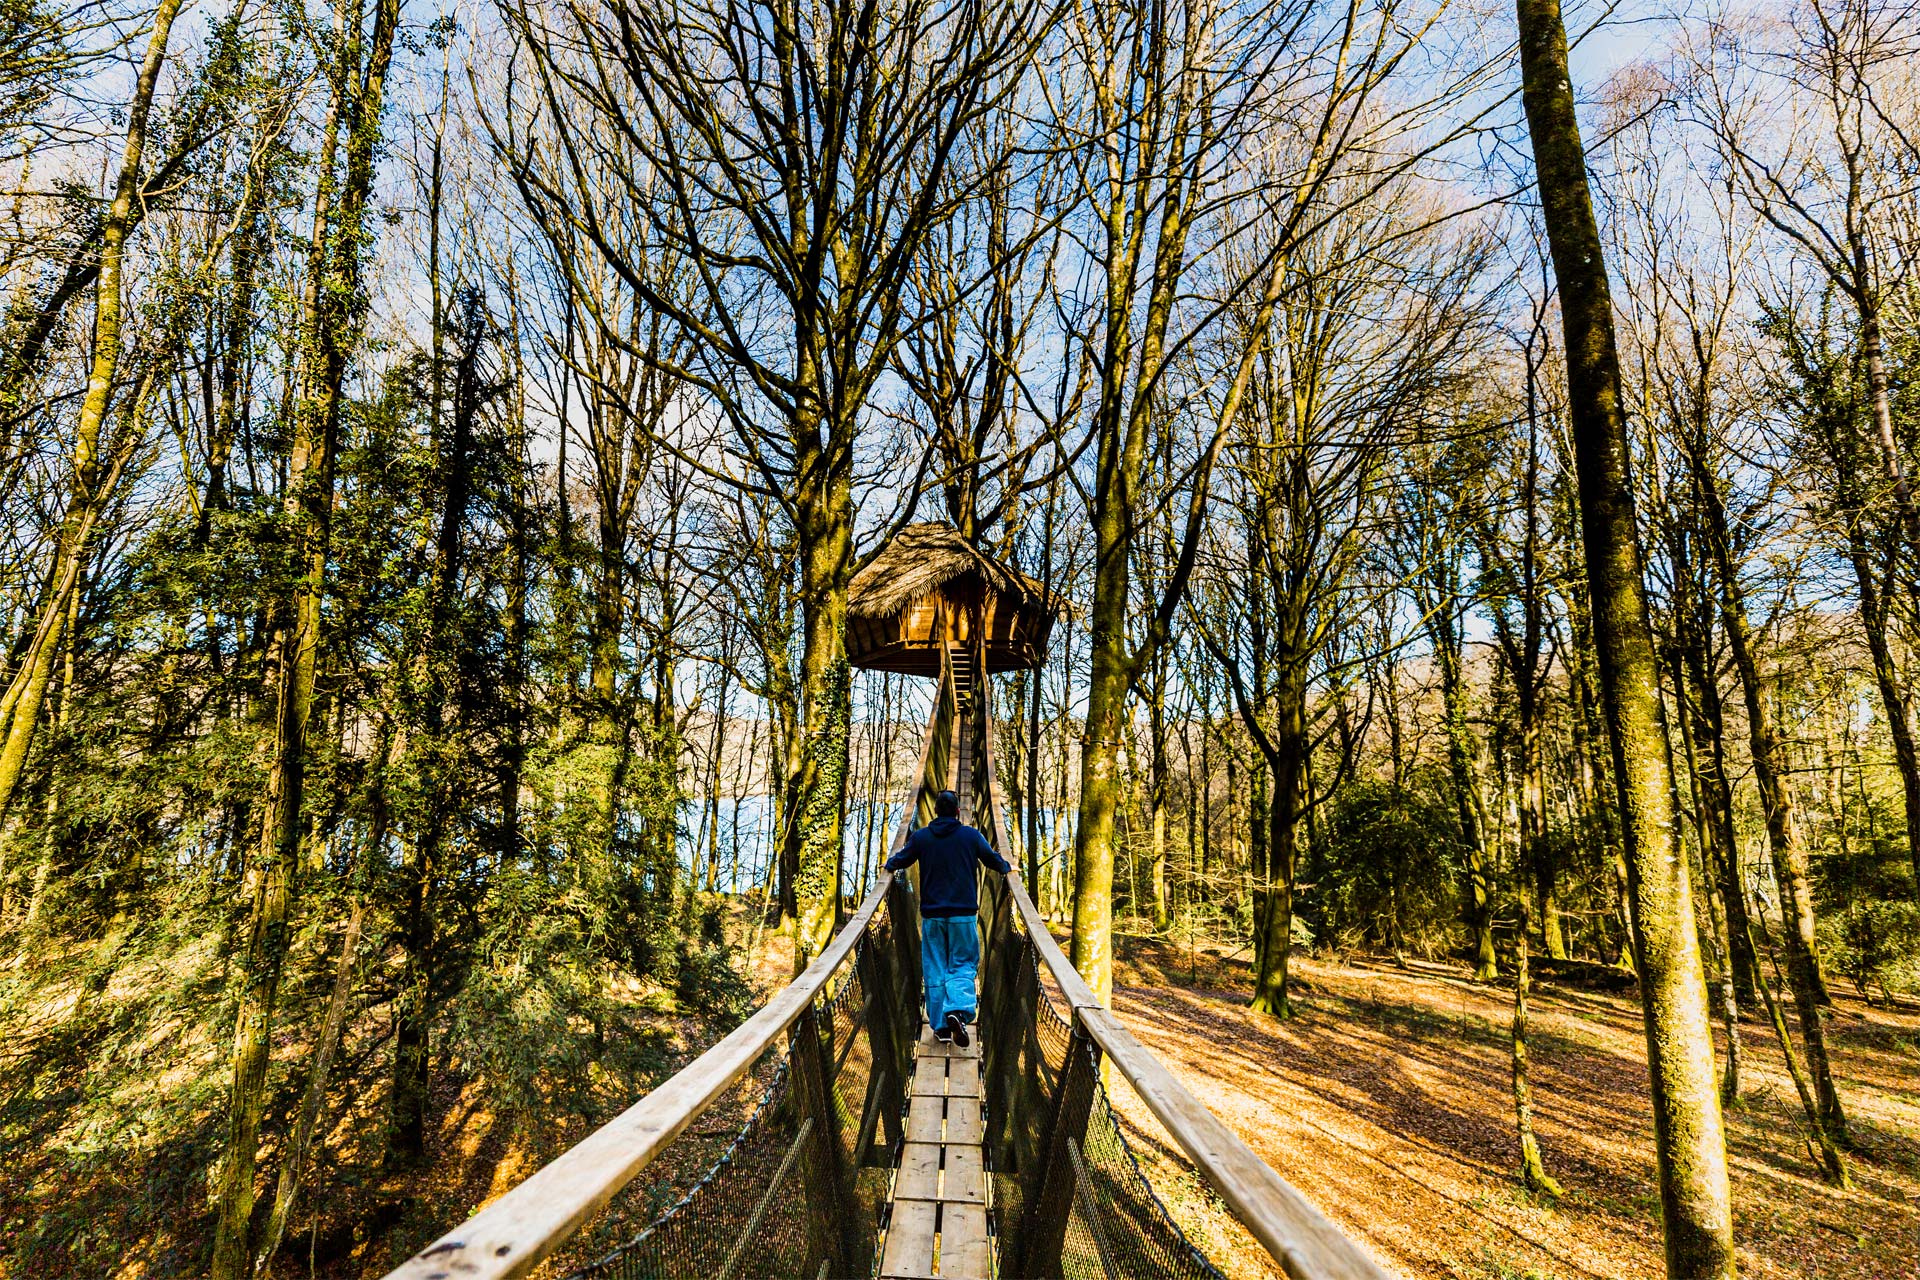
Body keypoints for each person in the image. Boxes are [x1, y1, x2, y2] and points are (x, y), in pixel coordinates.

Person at [883, 789, 1011, 1047]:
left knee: (935, 968)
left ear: (934, 812)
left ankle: (941, 1026)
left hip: (932, 917)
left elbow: (902, 860)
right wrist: (1008, 867)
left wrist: (889, 864)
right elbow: (990, 859)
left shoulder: (921, 837)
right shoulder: (971, 835)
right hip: (963, 915)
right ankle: (958, 1010)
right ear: (956, 812)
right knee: (962, 964)